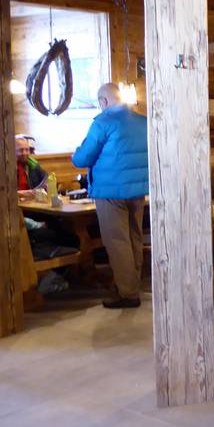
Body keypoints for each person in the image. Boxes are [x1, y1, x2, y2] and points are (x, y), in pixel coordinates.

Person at [72, 83, 149, 309]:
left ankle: (127, 293)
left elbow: (83, 158)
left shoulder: (103, 122)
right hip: (138, 190)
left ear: (103, 101)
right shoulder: (143, 121)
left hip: (110, 191)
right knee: (134, 238)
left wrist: (75, 155)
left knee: (117, 241)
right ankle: (131, 284)